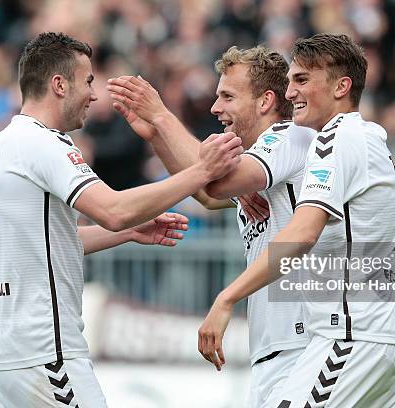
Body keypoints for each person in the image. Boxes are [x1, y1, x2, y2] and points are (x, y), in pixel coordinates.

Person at [0, 32, 242, 408]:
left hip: (3, 358)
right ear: (59, 84)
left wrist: (131, 231)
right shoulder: (44, 144)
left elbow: (52, 242)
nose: (93, 94)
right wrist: (201, 171)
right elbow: (113, 210)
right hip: (45, 352)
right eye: (87, 82)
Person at [197, 34, 395, 408]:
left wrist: (227, 298)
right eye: (291, 79)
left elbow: (303, 231)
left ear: (342, 86)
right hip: (377, 337)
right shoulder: (366, 137)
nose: (290, 92)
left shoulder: (335, 138)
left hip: (349, 337)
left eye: (302, 80)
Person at [107, 45, 316, 407]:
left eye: (228, 96)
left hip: (303, 343)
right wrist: (157, 134)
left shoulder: (288, 138)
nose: (215, 108)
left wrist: (162, 117)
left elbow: (214, 181)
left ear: (266, 101)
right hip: (275, 347)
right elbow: (206, 193)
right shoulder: (261, 166)